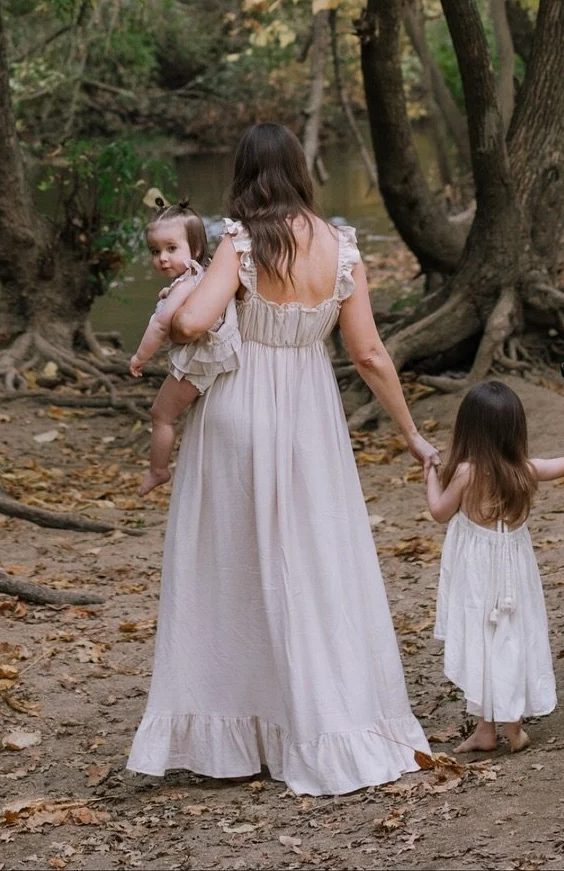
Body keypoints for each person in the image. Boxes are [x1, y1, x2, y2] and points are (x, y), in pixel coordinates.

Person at [128, 122, 437, 796]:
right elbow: (369, 355)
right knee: (314, 563)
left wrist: (190, 307)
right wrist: (411, 433)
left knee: (228, 568)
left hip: (238, 411)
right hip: (310, 419)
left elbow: (187, 323)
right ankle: (322, 719)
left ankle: (235, 733)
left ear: (245, 175)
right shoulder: (343, 245)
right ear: (299, 171)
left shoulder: (240, 240)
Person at [426, 380, 564, 753]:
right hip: (514, 570)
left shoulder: (466, 472)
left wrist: (430, 475)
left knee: (484, 640)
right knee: (511, 637)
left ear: (468, 429)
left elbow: (438, 512)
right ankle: (495, 729)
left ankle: (500, 726)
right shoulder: (524, 469)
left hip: (477, 573)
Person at [128, 201, 240, 495]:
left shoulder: (185, 284)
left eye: (171, 248)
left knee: (161, 414)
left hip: (202, 359)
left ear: (196, 249)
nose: (162, 258)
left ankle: (158, 470)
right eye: (155, 251)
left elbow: (161, 325)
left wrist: (140, 357)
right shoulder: (202, 275)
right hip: (219, 351)